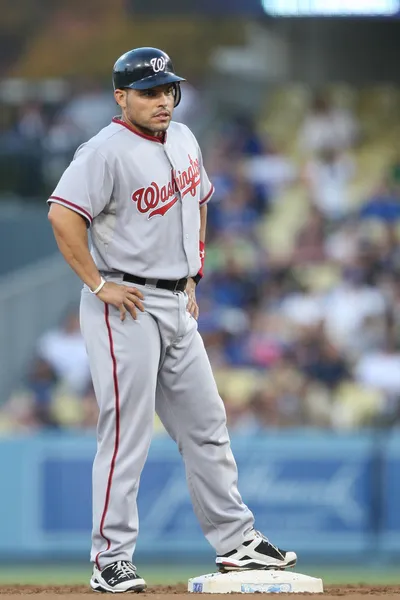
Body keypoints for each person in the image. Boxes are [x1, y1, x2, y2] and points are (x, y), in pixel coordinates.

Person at [47, 47, 297, 594]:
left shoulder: (184, 138)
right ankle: (110, 558)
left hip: (176, 302)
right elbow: (63, 215)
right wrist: (97, 284)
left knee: (207, 426)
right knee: (127, 434)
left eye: (168, 90)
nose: (163, 100)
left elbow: (201, 199)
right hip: (125, 302)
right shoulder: (103, 151)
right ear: (121, 97)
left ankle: (237, 544)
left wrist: (193, 274)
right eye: (149, 91)